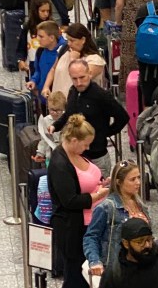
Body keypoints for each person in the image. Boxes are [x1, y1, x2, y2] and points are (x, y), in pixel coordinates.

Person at [48, 114, 110, 288]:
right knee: (76, 275)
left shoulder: (73, 153)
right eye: (85, 144)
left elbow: (85, 181)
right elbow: (70, 200)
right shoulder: (60, 163)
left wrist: (101, 183)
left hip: (88, 221)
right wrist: (98, 196)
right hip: (72, 228)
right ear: (74, 140)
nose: (87, 147)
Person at [52, 59, 129, 176]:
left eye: (82, 77)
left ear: (90, 74)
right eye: (74, 79)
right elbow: (68, 114)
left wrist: (105, 133)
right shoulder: (73, 91)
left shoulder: (101, 95)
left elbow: (123, 117)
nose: (78, 82)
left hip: (96, 156)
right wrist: (55, 125)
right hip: (75, 155)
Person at [83, 161, 151, 276]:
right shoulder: (106, 207)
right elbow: (91, 237)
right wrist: (95, 262)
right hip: (118, 270)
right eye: (132, 179)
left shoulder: (141, 205)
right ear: (119, 182)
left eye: (139, 177)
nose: (138, 182)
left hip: (143, 266)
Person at [98, 218, 158, 288]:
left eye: (149, 239)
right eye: (140, 241)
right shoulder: (114, 274)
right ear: (126, 244)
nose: (147, 245)